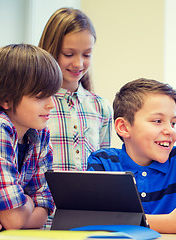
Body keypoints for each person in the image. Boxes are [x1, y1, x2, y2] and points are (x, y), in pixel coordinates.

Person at [87, 78, 176, 234]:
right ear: (124, 127)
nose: (170, 131)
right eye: (158, 121)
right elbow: (93, 220)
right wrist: (169, 223)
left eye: (173, 123)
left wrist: (131, 221)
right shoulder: (103, 162)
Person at [0, 44, 62, 231]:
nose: (51, 104)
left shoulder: (40, 133)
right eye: (40, 96)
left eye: (52, 95)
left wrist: (8, 214)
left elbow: (44, 211)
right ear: (6, 99)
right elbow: (14, 220)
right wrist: (30, 204)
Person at [38, 7, 112, 171]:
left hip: (89, 197)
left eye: (86, 55)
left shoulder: (101, 107)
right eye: (68, 54)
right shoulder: (34, 104)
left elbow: (104, 169)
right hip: (43, 197)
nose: (79, 63)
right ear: (51, 50)